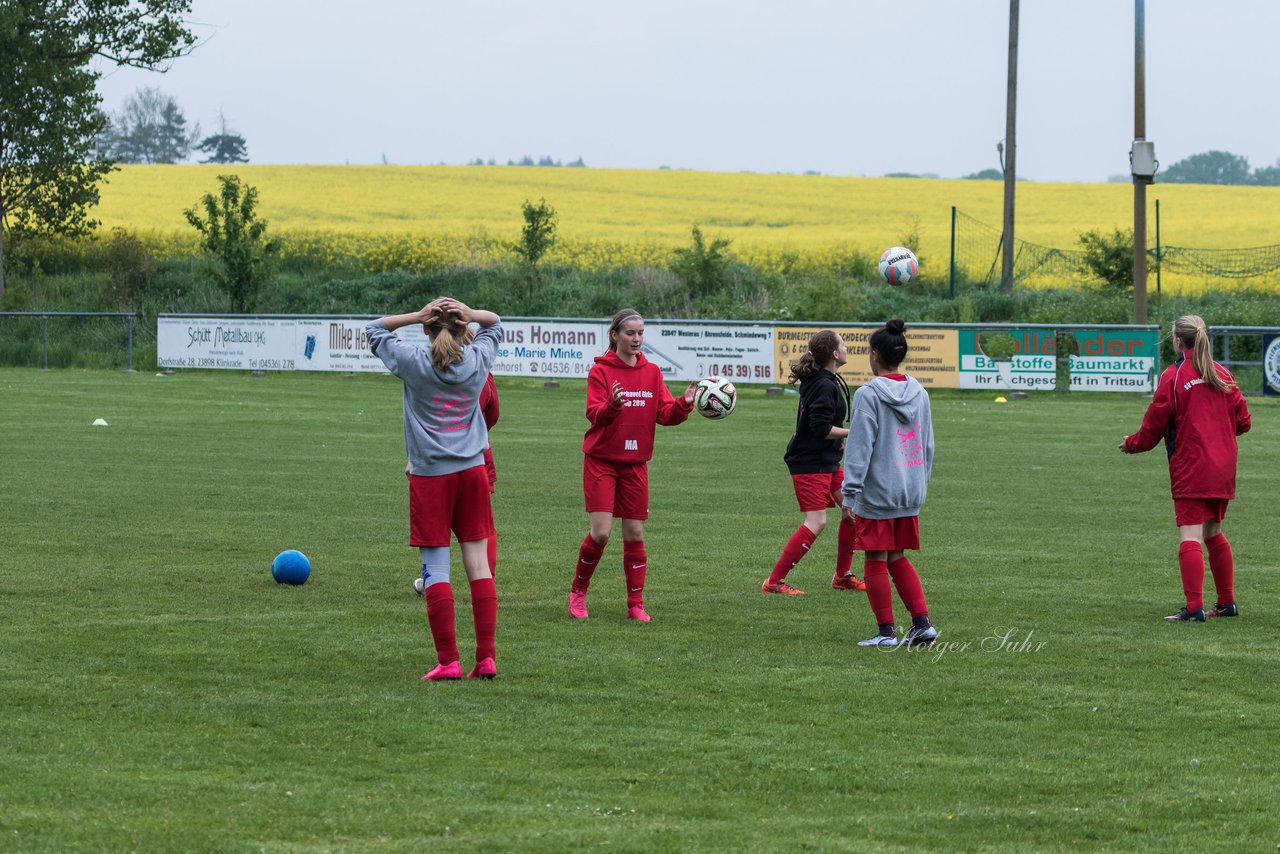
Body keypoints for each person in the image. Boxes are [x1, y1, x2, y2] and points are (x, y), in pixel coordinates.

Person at [366, 297, 503, 681]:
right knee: (479, 567)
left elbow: (372, 329)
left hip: (430, 478)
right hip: (473, 473)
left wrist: (415, 314)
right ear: (464, 329)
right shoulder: (477, 361)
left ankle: (449, 662)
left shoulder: (414, 363)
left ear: (427, 329)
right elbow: (495, 324)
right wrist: (473, 313)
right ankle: (487, 658)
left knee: (436, 569)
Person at [1120, 314, 1251, 621]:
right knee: (1213, 531)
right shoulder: (1222, 373)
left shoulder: (1174, 376)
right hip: (1223, 467)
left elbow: (1153, 426)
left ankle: (1194, 609)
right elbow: (1243, 422)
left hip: (1192, 465)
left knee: (1190, 535)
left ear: (1178, 341)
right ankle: (1226, 603)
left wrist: (1132, 443)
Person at [568, 308, 696, 622]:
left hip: (635, 464)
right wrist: (612, 404)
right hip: (602, 462)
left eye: (640, 333)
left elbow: (665, 414)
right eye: (630, 333)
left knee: (635, 533)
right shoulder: (600, 371)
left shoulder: (652, 372)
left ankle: (635, 604)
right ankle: (578, 593)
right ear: (615, 335)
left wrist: (684, 403)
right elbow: (594, 415)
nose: (637, 339)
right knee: (600, 533)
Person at [842, 319, 938, 648]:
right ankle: (922, 624)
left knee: (875, 559)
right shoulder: (920, 392)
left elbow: (859, 448)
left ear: (873, 355)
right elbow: (927, 445)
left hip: (878, 491)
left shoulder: (868, 394)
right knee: (897, 556)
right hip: (909, 489)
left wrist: (850, 495)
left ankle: (886, 633)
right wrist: (918, 484)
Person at [762, 329, 866, 595]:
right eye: (843, 345)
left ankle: (842, 576)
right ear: (834, 353)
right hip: (809, 463)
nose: (846, 349)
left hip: (827, 461)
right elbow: (820, 428)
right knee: (817, 522)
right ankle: (773, 582)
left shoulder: (825, 379)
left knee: (854, 511)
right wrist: (854, 433)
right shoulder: (822, 384)